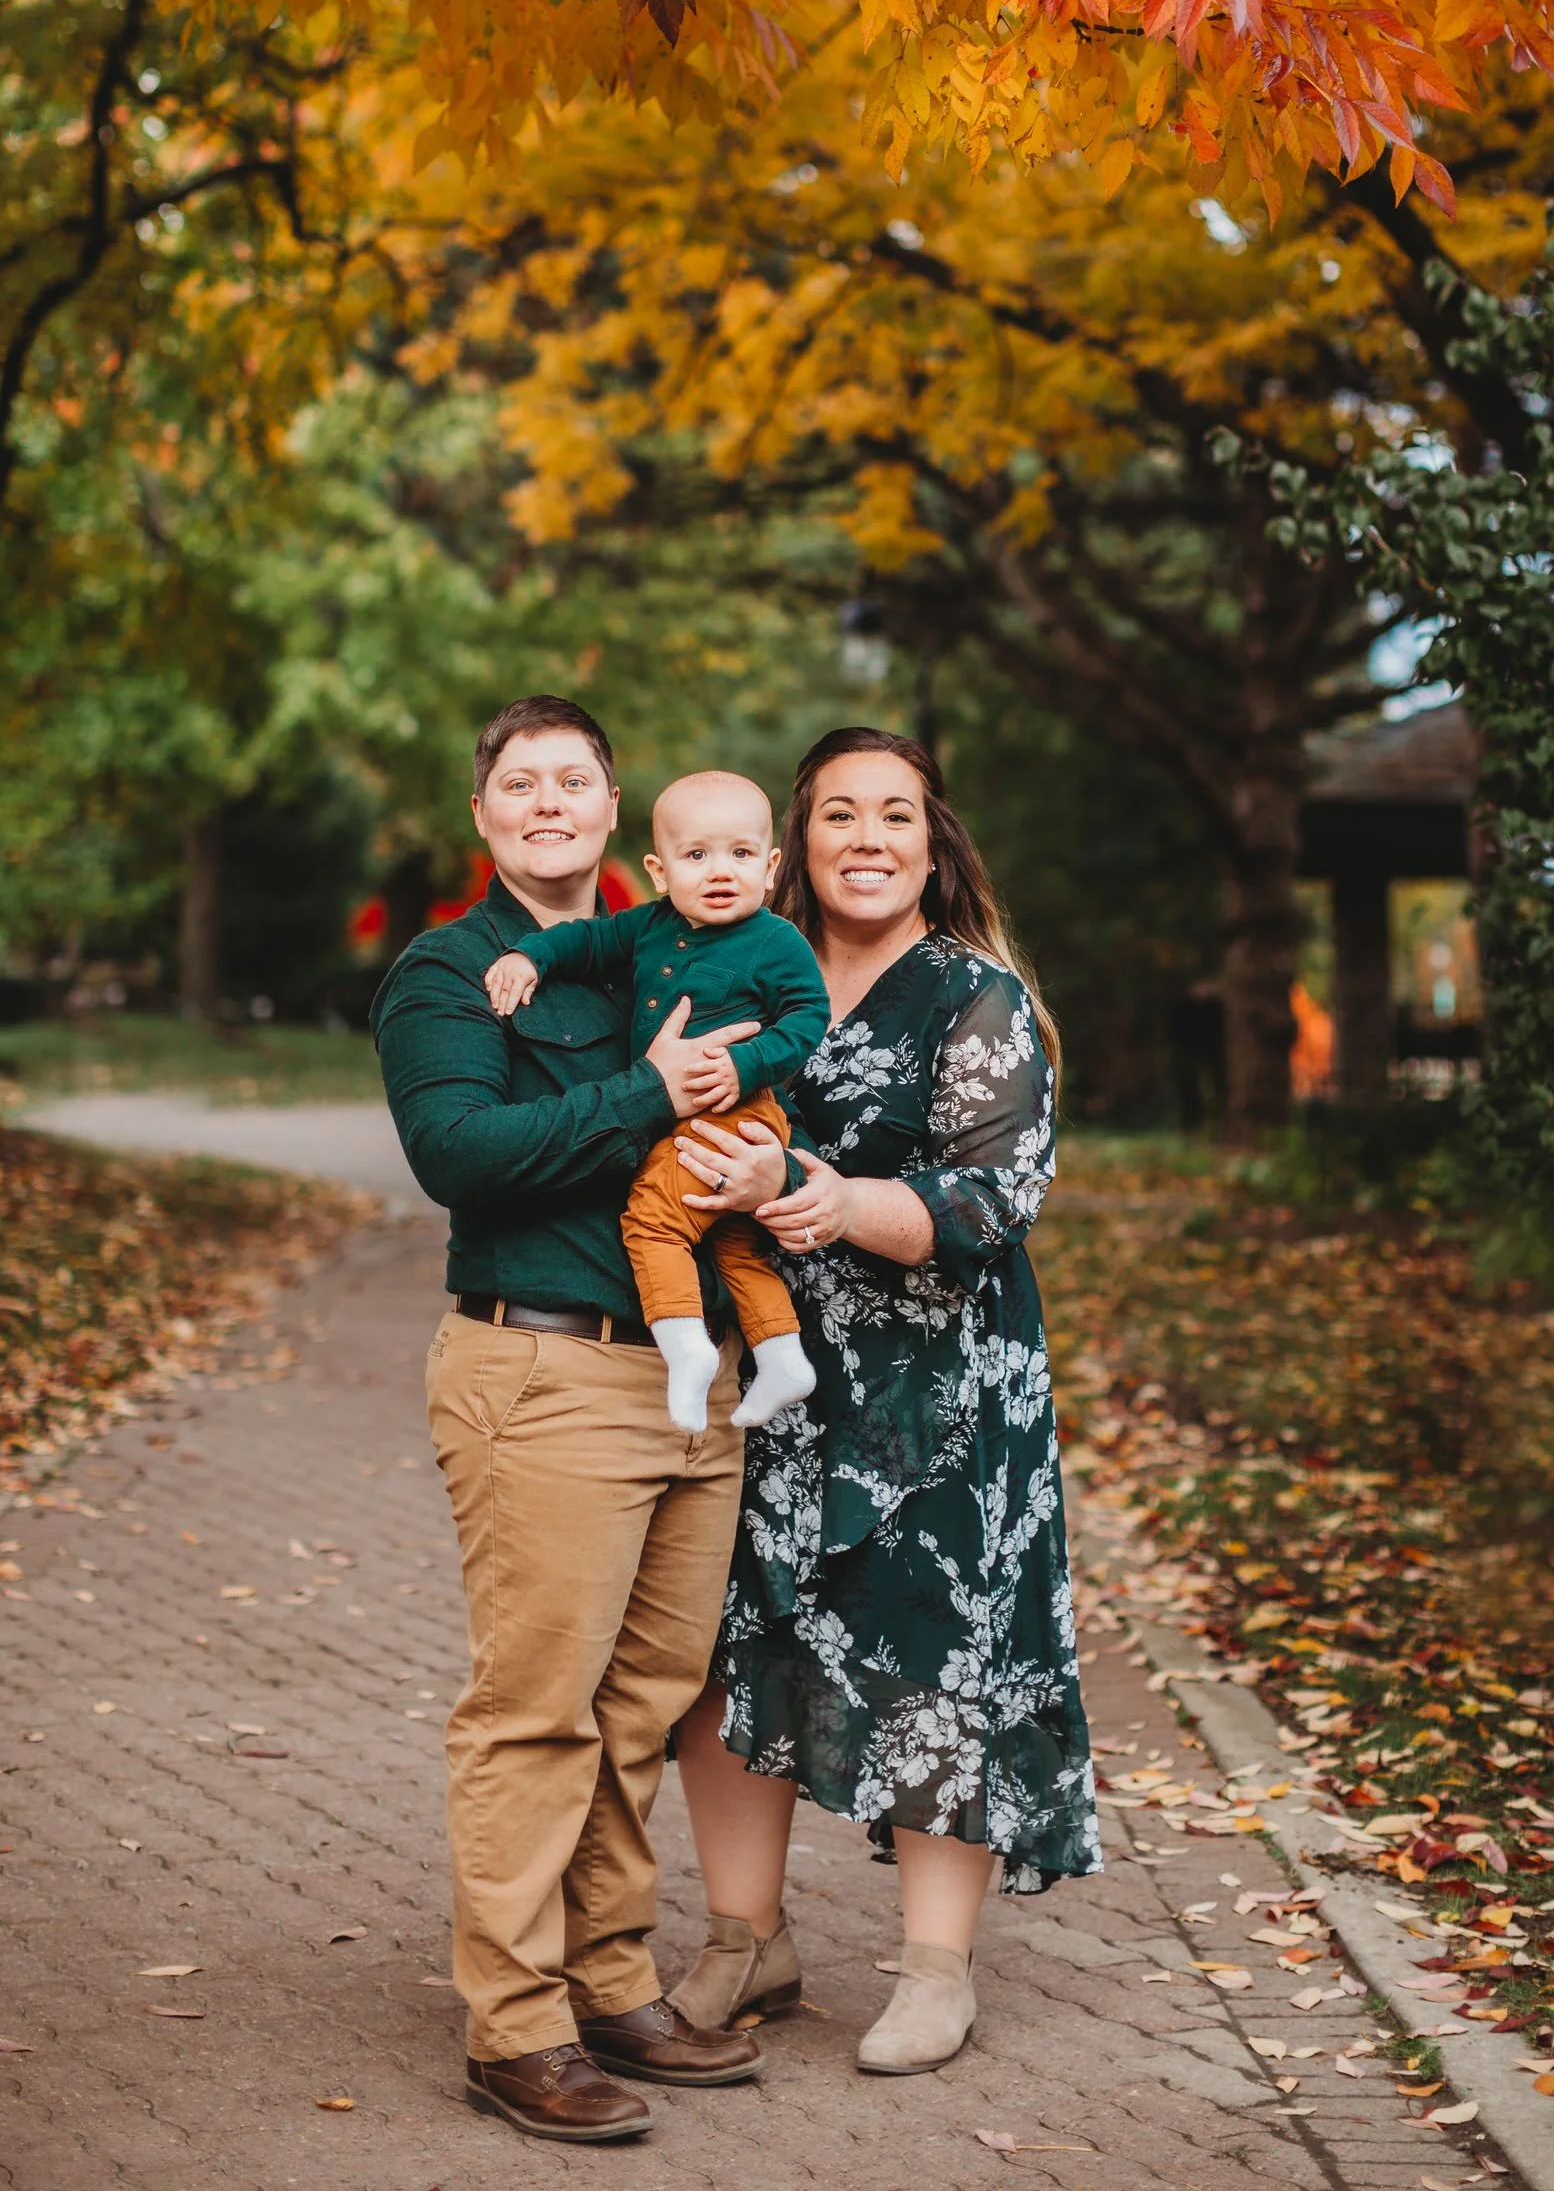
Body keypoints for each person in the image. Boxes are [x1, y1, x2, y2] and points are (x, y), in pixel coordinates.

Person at [666, 727, 1102, 2076]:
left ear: (931, 842)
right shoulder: (750, 973)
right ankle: (746, 1941)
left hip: (942, 1397)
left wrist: (828, 1199)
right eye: (836, 813)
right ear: (796, 840)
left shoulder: (972, 997)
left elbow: (990, 1201)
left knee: (933, 1662)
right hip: (773, 1379)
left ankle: (933, 1973)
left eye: (893, 814)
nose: (865, 836)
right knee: (728, 1653)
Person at [372, 697, 765, 2146]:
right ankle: (514, 2028)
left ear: (614, 808)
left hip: (689, 1379)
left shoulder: (676, 945)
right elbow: (459, 1155)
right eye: (519, 783)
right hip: (538, 1374)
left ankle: (611, 1984)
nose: (548, 802)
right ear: (484, 815)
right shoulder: (448, 972)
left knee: (642, 1710)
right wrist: (643, 1088)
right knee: (533, 1718)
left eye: (574, 780)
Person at [484, 768, 828, 1433]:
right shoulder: (649, 927)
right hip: (680, 1118)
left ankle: (685, 1350)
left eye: (740, 853)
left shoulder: (776, 941)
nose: (720, 871)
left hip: (732, 1110)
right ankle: (783, 1356)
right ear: (659, 869)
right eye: (696, 855)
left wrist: (745, 1061)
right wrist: (530, 958)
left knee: (651, 1222)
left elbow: (807, 1016)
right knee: (732, 1245)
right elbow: (584, 940)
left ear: (771, 865)